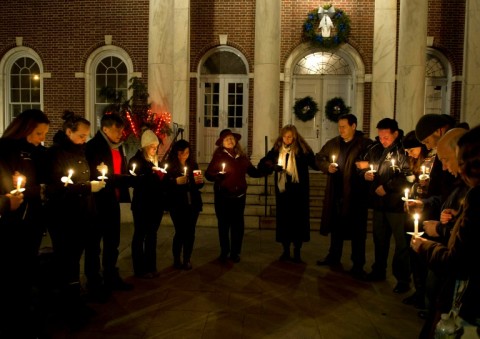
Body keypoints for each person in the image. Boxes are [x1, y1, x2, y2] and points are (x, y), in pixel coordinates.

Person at [411, 125, 480, 338]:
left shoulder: (475, 195)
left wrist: (426, 246)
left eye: (449, 160)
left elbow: (458, 260)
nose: (446, 166)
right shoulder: (467, 190)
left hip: (470, 298)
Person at [44, 110, 105, 329]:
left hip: (83, 215)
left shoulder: (80, 152)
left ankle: (76, 302)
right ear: (69, 132)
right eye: (81, 135)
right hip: (65, 218)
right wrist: (87, 186)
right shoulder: (56, 154)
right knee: (66, 262)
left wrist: (97, 175)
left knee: (75, 260)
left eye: (86, 135)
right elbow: (56, 188)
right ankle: (67, 307)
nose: (84, 139)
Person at [0, 109, 50, 338]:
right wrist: (32, 191)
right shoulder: (6, 150)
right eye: (39, 133)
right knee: (14, 274)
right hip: (13, 224)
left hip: (32, 220)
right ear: (26, 128)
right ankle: (16, 321)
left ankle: (27, 315)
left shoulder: (37, 152)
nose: (42, 138)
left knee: (28, 271)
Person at [313, 114, 373, 276]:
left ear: (354, 126)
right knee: (336, 227)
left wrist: (367, 166)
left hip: (356, 194)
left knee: (357, 231)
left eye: (344, 127)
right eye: (339, 127)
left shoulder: (364, 144)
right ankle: (334, 256)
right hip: (336, 192)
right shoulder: (334, 143)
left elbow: (374, 160)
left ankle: (358, 264)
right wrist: (327, 167)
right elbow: (319, 158)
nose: (341, 130)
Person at [85, 112, 134, 302]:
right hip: (97, 202)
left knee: (112, 242)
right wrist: (120, 179)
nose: (120, 133)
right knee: (94, 244)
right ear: (105, 128)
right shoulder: (93, 147)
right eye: (117, 130)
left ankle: (111, 275)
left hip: (112, 200)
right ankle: (94, 281)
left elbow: (119, 170)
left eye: (122, 130)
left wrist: (127, 178)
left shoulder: (117, 147)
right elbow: (93, 174)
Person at [360, 118, 411, 293]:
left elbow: (407, 176)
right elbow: (364, 164)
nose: (383, 140)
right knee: (379, 240)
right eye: (380, 137)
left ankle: (403, 279)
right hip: (379, 204)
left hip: (396, 205)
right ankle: (378, 270)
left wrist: (388, 187)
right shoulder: (375, 148)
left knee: (401, 243)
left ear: (395, 133)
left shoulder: (403, 150)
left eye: (386, 137)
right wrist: (365, 174)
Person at [258, 124, 319, 263]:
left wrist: (326, 163)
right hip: (283, 192)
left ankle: (297, 251)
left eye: (290, 136)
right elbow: (263, 163)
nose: (287, 139)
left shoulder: (302, 150)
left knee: (298, 222)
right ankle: (285, 251)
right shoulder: (276, 150)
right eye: (285, 136)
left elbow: (314, 163)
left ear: (295, 137)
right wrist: (272, 166)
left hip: (299, 192)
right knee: (284, 221)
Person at [205, 129, 263, 263]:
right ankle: (224, 251)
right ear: (222, 144)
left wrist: (265, 169)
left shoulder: (242, 157)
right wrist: (217, 177)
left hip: (239, 196)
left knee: (238, 225)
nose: (230, 141)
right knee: (224, 225)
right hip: (223, 196)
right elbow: (208, 175)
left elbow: (253, 172)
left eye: (231, 138)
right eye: (226, 139)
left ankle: (235, 252)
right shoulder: (218, 157)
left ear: (235, 140)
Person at [128, 129, 167, 279]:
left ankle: (151, 266)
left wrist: (163, 176)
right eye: (151, 146)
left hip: (156, 205)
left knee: (152, 235)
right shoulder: (136, 161)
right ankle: (139, 269)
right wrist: (152, 175)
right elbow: (134, 181)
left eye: (156, 146)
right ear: (144, 146)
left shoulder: (157, 161)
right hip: (142, 205)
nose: (154, 149)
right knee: (140, 235)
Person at [165, 139, 204, 270]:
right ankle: (177, 259)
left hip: (193, 204)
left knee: (190, 232)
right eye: (182, 152)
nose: (184, 155)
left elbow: (199, 184)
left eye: (187, 152)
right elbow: (165, 185)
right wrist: (175, 182)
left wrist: (199, 181)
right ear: (176, 152)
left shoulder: (193, 165)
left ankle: (187, 259)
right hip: (177, 204)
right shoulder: (170, 166)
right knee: (180, 232)